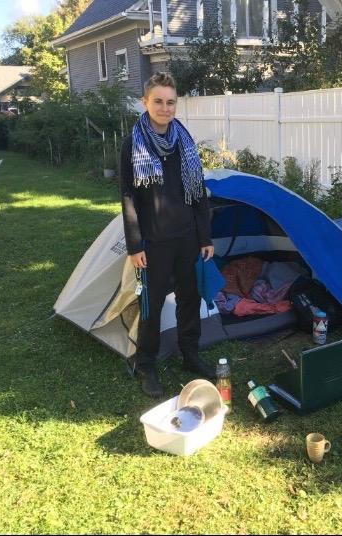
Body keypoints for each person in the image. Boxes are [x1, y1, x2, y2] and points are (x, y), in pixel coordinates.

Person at [120, 72, 216, 397]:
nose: (165, 107)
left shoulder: (184, 142)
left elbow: (198, 192)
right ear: (145, 102)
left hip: (187, 237)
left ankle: (190, 354)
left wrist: (205, 238)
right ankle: (146, 364)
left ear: (177, 104)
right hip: (153, 243)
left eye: (170, 102)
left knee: (190, 300)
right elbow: (128, 195)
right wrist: (134, 244)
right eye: (158, 101)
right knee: (152, 305)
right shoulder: (133, 144)